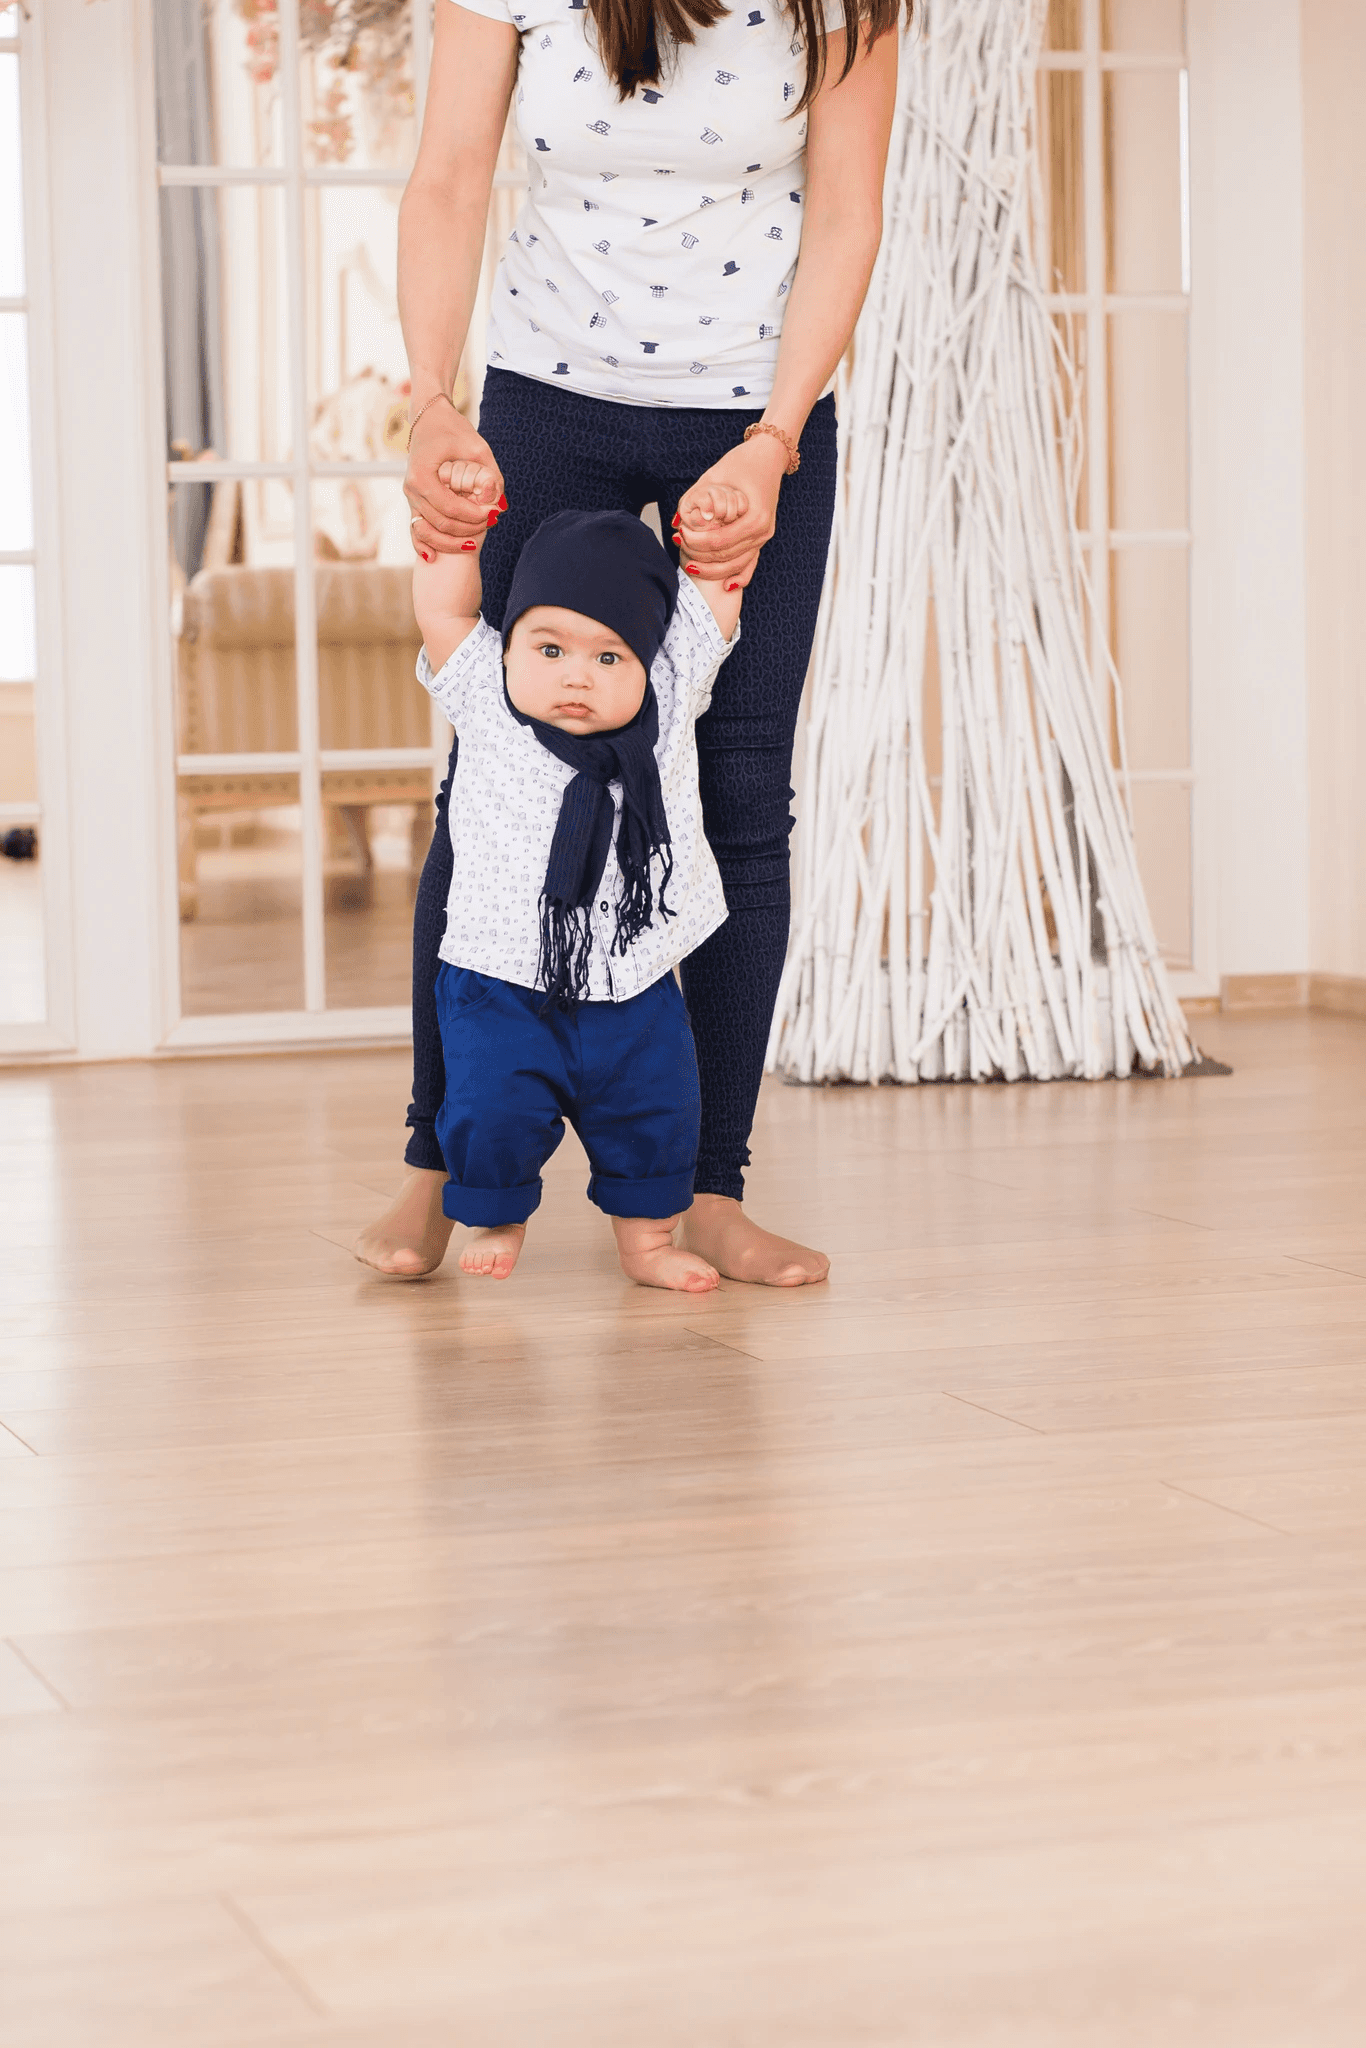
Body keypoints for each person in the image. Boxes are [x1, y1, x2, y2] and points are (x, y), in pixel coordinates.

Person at [352, 0, 903, 1285]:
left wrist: (775, 438)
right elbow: (446, 176)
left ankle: (707, 1185)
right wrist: (432, 399)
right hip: (548, 401)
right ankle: (442, 1160)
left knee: (740, 788)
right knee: (492, 775)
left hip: (755, 411)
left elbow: (846, 210)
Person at [412, 497, 746, 1292]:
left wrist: (720, 530)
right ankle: (495, 1213)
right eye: (551, 647)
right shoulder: (486, 700)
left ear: (646, 662)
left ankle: (648, 1244)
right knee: (488, 1108)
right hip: (500, 981)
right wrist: (456, 536)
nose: (576, 677)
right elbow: (444, 606)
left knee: (658, 1113)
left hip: (631, 984)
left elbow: (713, 607)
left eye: (608, 658)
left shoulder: (666, 703)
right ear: (511, 643)